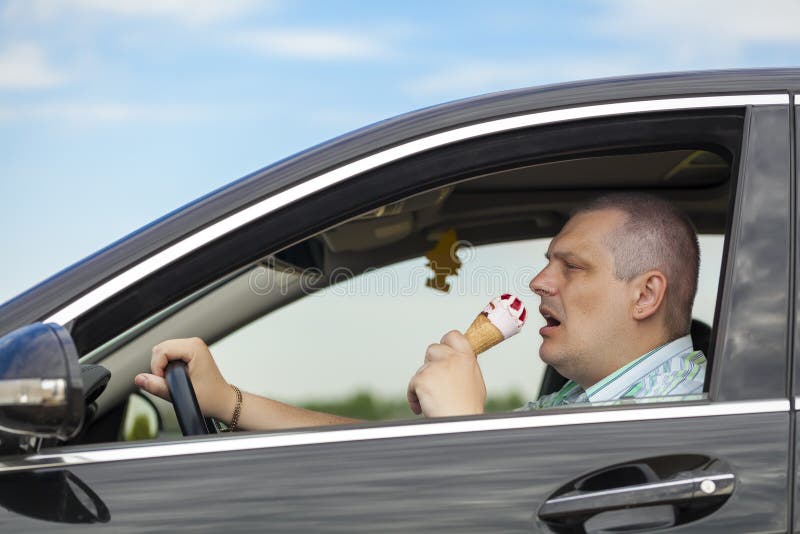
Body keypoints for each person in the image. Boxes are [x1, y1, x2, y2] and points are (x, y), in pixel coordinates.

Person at [134, 193, 706, 430]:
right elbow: (371, 446)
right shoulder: (577, 403)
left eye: (571, 267)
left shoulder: (688, 412)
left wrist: (463, 427)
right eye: (545, 264)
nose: (538, 281)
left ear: (645, 295)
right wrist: (225, 400)